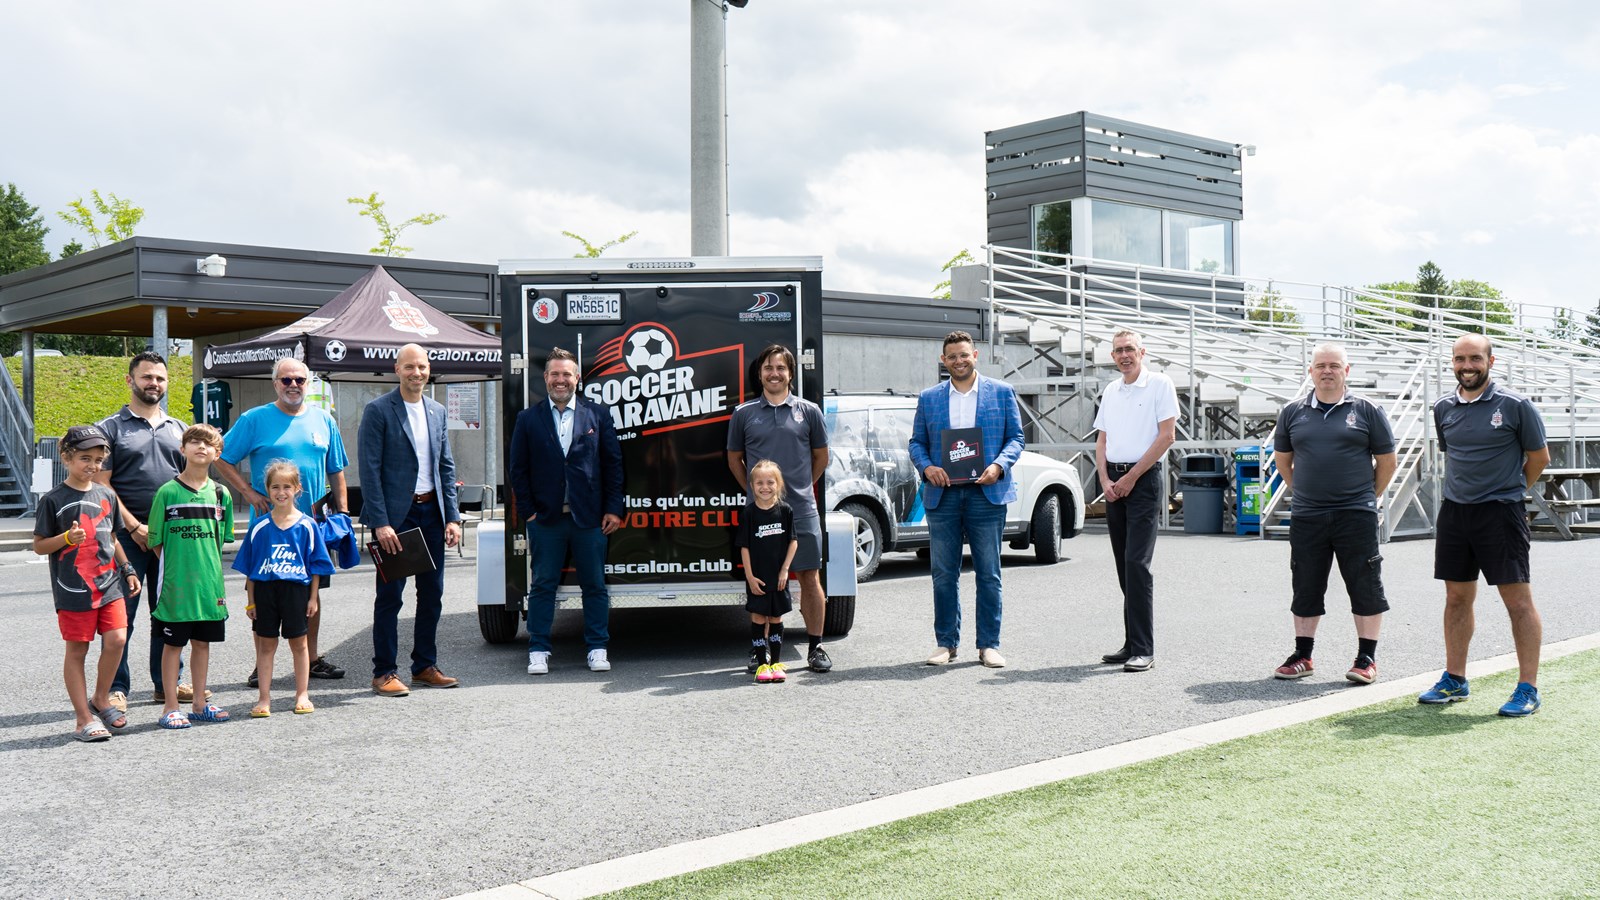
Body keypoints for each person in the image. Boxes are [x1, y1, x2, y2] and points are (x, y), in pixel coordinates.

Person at [1419, 334, 1550, 717]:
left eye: (1475, 358)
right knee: (1457, 598)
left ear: (1491, 362)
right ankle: (1455, 679)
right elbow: (1455, 454)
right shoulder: (1443, 408)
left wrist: (1509, 491)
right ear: (1453, 363)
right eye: (1460, 359)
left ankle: (1528, 688)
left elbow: (1538, 457)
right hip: (1456, 514)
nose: (1467, 366)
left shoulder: (1515, 406)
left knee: (1518, 602)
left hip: (1501, 513)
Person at [216, 356, 350, 683]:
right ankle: (262, 664)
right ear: (275, 383)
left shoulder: (323, 420)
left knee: (310, 592)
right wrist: (247, 493)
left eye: (299, 380)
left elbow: (337, 469)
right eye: (286, 380)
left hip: (312, 522)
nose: (293, 385)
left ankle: (312, 657)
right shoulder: (255, 419)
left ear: (309, 384)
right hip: (270, 523)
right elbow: (221, 456)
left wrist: (344, 512)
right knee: (264, 590)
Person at [1270, 343, 1397, 684]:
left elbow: (1387, 462)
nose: (1327, 370)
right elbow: (1284, 460)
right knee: (1306, 584)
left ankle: (1366, 658)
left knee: (1365, 584)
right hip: (1308, 516)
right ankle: (1303, 655)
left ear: (1347, 371)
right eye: (1320, 365)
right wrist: (1302, 491)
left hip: (1355, 514)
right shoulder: (1293, 412)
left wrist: (1369, 496)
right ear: (1310, 371)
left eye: (1334, 365)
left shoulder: (1367, 410)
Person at [908, 331, 1025, 668]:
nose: (959, 361)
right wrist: (927, 467)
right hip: (942, 495)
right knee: (943, 573)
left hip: (985, 494)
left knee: (989, 573)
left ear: (975, 355)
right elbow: (916, 442)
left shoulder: (1001, 393)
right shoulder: (929, 398)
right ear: (943, 361)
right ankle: (946, 643)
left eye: (964, 355)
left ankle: (989, 644)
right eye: (952, 357)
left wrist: (998, 466)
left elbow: (1016, 438)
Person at [509, 347, 624, 676]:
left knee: (594, 585)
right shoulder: (528, 419)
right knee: (543, 585)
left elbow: (613, 465)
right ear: (545, 378)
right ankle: (539, 649)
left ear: (578, 379)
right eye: (555, 374)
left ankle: (597, 647)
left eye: (566, 374)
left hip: (589, 519)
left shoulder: (597, 416)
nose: (561, 380)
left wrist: (613, 509)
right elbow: (518, 470)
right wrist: (529, 512)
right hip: (546, 519)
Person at [358, 343, 464, 696]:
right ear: (397, 369)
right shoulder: (378, 411)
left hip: (431, 513)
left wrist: (453, 517)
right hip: (396, 519)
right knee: (391, 597)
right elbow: (370, 470)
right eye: (409, 367)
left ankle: (424, 666)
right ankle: (384, 671)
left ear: (428, 369)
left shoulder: (436, 411)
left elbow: (445, 467)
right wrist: (380, 521)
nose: (416, 373)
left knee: (432, 594)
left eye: (421, 367)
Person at [94, 351, 196, 710]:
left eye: (160, 378)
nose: (154, 383)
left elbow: (191, 481)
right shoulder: (110, 429)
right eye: (147, 377)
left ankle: (166, 683)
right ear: (130, 380)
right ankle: (116, 688)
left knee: (168, 613)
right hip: (125, 538)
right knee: (123, 615)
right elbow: (102, 485)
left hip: (171, 538)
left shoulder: (179, 430)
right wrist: (134, 526)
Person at [726, 344, 833, 673]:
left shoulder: (808, 411)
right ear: (759, 374)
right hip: (759, 517)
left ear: (791, 373)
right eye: (768, 368)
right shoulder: (744, 413)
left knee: (810, 579)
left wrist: (796, 489)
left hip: (801, 510)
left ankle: (816, 648)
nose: (774, 373)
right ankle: (761, 652)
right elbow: (734, 460)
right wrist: (758, 496)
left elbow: (821, 458)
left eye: (781, 368)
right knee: (762, 581)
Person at [32, 425, 138, 742]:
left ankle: (101, 698)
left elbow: (113, 536)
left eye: (98, 459)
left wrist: (128, 568)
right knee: (78, 649)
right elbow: (39, 545)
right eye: (84, 458)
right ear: (66, 457)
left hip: (110, 584)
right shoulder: (53, 500)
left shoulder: (106, 494)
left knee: (118, 639)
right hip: (73, 590)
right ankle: (83, 719)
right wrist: (66, 538)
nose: (92, 465)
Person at [1094, 329, 1178, 673]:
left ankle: (1144, 648)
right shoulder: (1111, 390)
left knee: (1137, 565)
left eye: (1130, 349)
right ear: (1113, 357)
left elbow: (1167, 436)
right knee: (1123, 565)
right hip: (1113, 482)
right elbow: (1102, 440)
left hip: (1141, 483)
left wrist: (1130, 478)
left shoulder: (1160, 384)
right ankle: (1131, 643)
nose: (1124, 355)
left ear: (1142, 352)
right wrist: (1105, 480)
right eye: (1118, 351)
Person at [148, 424, 235, 729]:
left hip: (209, 587)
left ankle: (199, 703)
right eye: (194, 442)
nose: (201, 447)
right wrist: (177, 569)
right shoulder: (167, 492)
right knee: (172, 646)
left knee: (202, 644)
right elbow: (156, 541)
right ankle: (170, 707)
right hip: (176, 587)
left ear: (217, 453)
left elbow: (219, 540)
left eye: (208, 443)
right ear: (182, 449)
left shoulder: (221, 494)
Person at [233, 460, 335, 717]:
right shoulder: (259, 526)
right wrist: (251, 602)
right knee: (266, 645)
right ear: (267, 490)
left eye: (287, 487)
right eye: (275, 487)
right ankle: (264, 698)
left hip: (296, 591)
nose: (281, 492)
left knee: (299, 644)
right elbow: (251, 570)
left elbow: (316, 566)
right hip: (266, 593)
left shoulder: (307, 525)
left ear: (297, 489)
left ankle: (302, 693)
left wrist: (313, 599)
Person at [736, 460, 798, 684]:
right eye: (759, 482)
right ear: (752, 486)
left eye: (770, 482)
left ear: (778, 484)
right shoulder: (749, 513)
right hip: (758, 579)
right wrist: (750, 577)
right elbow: (744, 547)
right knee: (759, 618)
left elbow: (793, 542)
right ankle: (762, 665)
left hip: (778, 578)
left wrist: (785, 570)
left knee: (776, 618)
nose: (765, 487)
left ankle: (776, 664)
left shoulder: (785, 511)